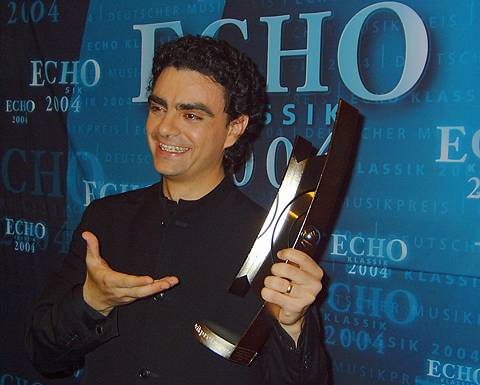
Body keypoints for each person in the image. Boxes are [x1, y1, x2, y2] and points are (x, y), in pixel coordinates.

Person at [26, 35, 328, 385]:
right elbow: (43, 356)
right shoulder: (105, 220)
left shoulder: (272, 242)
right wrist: (91, 301)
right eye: (158, 107)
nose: (165, 128)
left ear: (234, 129)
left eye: (191, 115)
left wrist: (294, 325)